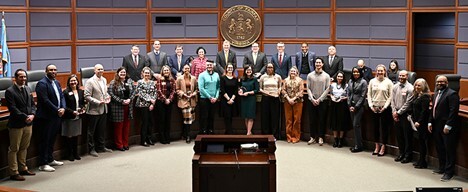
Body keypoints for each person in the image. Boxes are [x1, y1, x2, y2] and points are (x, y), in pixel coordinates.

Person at [5, 69, 36, 181]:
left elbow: (32, 104)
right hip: (17, 124)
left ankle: (23, 168)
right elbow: (13, 108)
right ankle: (14, 172)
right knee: (14, 148)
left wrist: (32, 114)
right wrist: (25, 117)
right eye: (21, 77)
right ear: (15, 78)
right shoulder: (10, 91)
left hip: (29, 123)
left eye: (24, 77)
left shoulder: (28, 88)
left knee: (24, 147)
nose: (23, 79)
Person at [35, 64, 66, 172]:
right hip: (46, 117)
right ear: (46, 71)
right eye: (51, 70)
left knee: (52, 139)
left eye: (55, 70)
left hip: (56, 116)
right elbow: (45, 100)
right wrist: (57, 110)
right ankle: (43, 163)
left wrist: (63, 108)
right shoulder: (42, 84)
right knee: (45, 140)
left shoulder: (56, 82)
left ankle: (50, 158)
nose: (53, 71)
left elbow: (61, 97)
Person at [429, 75, 460, 182]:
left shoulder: (452, 94)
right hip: (436, 125)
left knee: (449, 150)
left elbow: (453, 111)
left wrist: (448, 125)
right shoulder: (436, 93)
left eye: (442, 82)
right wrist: (429, 122)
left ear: (447, 83)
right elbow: (433, 108)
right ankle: (442, 168)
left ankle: (449, 173)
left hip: (447, 127)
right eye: (437, 82)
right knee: (440, 148)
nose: (439, 84)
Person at [84, 64, 112, 157]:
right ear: (94, 70)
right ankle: (91, 149)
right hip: (94, 110)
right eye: (98, 69)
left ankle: (101, 146)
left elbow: (105, 92)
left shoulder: (104, 79)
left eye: (102, 69)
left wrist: (107, 97)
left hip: (103, 109)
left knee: (101, 129)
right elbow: (87, 96)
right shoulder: (90, 81)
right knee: (91, 131)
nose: (100, 71)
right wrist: (98, 102)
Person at [402, 78, 431, 169]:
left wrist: (419, 121)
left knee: (422, 142)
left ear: (424, 86)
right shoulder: (417, 95)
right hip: (416, 122)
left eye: (419, 85)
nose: (417, 87)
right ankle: (420, 160)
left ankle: (423, 162)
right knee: (420, 142)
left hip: (421, 123)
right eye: (416, 85)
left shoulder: (425, 96)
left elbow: (424, 111)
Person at [367, 64, 393, 157]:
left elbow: (391, 97)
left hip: (384, 109)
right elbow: (369, 94)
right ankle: (377, 146)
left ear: (385, 72)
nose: (380, 72)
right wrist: (371, 106)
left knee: (384, 128)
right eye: (378, 70)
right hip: (374, 108)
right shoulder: (372, 81)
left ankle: (383, 146)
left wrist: (385, 107)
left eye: (382, 71)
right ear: (376, 71)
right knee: (375, 128)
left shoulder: (389, 82)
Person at [108, 67, 135, 151]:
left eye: (124, 72)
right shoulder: (113, 82)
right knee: (118, 127)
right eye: (121, 72)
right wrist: (121, 101)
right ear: (118, 73)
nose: (123, 74)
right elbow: (111, 94)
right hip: (118, 107)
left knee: (126, 127)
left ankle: (125, 143)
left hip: (128, 107)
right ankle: (119, 144)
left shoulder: (129, 81)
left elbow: (134, 91)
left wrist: (130, 99)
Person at [391, 70, 414, 163]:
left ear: (407, 77)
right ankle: (401, 153)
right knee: (399, 135)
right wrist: (394, 112)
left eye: (403, 76)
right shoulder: (395, 86)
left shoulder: (410, 88)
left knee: (407, 136)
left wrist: (398, 113)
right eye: (400, 75)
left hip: (405, 115)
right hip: (396, 113)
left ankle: (408, 155)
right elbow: (392, 100)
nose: (401, 77)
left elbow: (408, 103)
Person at [306, 58, 330, 146]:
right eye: (316, 62)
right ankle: (312, 137)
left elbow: (327, 89)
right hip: (311, 101)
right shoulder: (310, 75)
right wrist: (312, 99)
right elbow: (308, 88)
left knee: (321, 120)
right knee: (312, 120)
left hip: (322, 101)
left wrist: (319, 99)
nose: (318, 64)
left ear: (322, 64)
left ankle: (320, 137)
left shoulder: (326, 76)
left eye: (319, 62)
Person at [61, 75, 85, 161]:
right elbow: (64, 106)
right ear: (68, 82)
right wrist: (72, 112)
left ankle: (76, 153)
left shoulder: (80, 91)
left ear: (77, 82)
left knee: (76, 136)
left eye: (75, 81)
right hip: (69, 117)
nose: (73, 82)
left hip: (78, 116)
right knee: (69, 136)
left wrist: (82, 108)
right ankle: (69, 154)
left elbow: (82, 102)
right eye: (71, 81)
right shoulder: (65, 92)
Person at [347, 67, 368, 153]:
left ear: (360, 73)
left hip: (359, 107)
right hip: (351, 106)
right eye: (354, 72)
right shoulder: (350, 81)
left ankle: (359, 146)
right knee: (354, 126)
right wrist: (349, 104)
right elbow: (348, 93)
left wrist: (356, 106)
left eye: (357, 72)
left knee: (356, 125)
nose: (355, 73)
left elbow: (363, 96)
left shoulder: (363, 82)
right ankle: (357, 144)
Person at [176, 64, 198, 143]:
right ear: (183, 69)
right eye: (185, 68)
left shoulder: (193, 78)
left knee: (191, 119)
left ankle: (185, 134)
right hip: (184, 100)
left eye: (188, 68)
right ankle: (188, 136)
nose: (187, 70)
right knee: (187, 119)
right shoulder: (179, 79)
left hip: (192, 100)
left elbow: (196, 89)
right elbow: (177, 89)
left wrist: (193, 94)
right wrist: (183, 94)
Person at [135, 67, 157, 146]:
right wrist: (149, 100)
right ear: (142, 73)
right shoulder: (140, 82)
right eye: (145, 73)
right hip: (143, 105)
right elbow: (140, 93)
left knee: (150, 123)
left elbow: (155, 93)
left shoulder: (152, 82)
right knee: (145, 122)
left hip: (151, 105)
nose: (147, 74)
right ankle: (143, 140)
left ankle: (149, 138)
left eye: (148, 73)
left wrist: (153, 103)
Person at [258, 63, 281, 138]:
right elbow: (260, 88)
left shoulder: (278, 77)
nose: (269, 69)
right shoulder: (263, 77)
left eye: (271, 67)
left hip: (275, 98)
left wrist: (279, 91)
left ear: (274, 68)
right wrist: (266, 92)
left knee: (274, 116)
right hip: (266, 98)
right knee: (265, 116)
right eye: (268, 67)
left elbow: (280, 86)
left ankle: (274, 134)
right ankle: (265, 134)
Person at [281, 66, 303, 143]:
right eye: (291, 71)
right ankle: (289, 136)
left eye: (294, 71)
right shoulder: (286, 80)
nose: (292, 73)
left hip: (298, 101)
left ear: (297, 72)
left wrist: (294, 99)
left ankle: (296, 136)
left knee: (297, 119)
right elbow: (283, 90)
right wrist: (289, 99)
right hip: (287, 101)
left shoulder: (300, 80)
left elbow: (301, 91)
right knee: (288, 120)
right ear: (289, 72)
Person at [198, 60, 220, 134]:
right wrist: (210, 97)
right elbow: (201, 88)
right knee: (204, 116)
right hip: (204, 99)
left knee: (212, 116)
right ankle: (204, 131)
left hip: (214, 100)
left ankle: (211, 131)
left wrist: (216, 97)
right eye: (208, 65)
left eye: (210, 65)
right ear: (205, 66)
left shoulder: (216, 75)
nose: (209, 66)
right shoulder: (202, 75)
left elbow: (218, 87)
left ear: (213, 66)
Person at [155, 65, 176, 144]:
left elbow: (173, 90)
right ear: (162, 72)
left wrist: (169, 99)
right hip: (161, 102)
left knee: (168, 120)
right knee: (162, 120)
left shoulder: (172, 79)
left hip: (169, 102)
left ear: (169, 71)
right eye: (165, 70)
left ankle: (167, 137)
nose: (166, 72)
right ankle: (162, 137)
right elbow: (159, 90)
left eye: (167, 70)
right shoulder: (159, 80)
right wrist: (165, 99)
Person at [329, 71, 349, 148]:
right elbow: (331, 93)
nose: (339, 78)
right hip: (334, 105)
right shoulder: (333, 85)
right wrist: (332, 97)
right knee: (334, 122)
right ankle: (335, 139)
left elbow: (348, 95)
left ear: (343, 78)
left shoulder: (346, 86)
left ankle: (340, 140)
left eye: (341, 77)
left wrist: (344, 98)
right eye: (338, 76)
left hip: (342, 105)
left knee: (341, 123)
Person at [239, 65, 259, 135]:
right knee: (245, 116)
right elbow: (239, 87)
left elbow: (257, 90)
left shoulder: (254, 79)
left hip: (251, 99)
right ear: (245, 71)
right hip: (244, 99)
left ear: (252, 71)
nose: (248, 71)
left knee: (250, 116)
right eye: (247, 70)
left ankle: (248, 133)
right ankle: (249, 132)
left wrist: (248, 93)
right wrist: (240, 91)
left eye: (250, 70)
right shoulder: (242, 79)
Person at [220, 63, 239, 134]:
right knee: (226, 116)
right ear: (226, 69)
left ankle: (229, 131)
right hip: (225, 100)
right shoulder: (223, 78)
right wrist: (228, 99)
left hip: (233, 99)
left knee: (231, 116)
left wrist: (232, 99)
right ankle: (228, 132)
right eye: (229, 68)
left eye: (231, 68)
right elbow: (222, 89)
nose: (230, 69)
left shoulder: (235, 78)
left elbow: (236, 90)